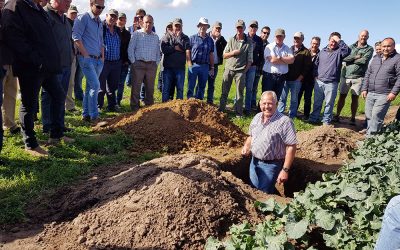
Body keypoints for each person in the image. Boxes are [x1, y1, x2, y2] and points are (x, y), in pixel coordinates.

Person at [1, 0, 71, 156]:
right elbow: (12, 36)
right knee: (29, 105)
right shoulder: (14, 6)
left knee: (58, 96)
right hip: (30, 67)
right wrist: (35, 59)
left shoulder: (36, 7)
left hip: (46, 67)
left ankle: (56, 134)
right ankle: (30, 143)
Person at [241, 91, 297, 193]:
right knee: (253, 189)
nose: (267, 106)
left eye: (270, 103)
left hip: (271, 165)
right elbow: (251, 136)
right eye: (264, 103)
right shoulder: (257, 117)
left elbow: (291, 147)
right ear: (260, 104)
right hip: (254, 162)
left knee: (263, 193)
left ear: (276, 104)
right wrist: (246, 146)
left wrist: (285, 170)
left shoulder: (284, 121)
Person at [41, 0, 74, 136]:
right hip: (53, 66)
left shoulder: (64, 18)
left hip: (66, 64)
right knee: (49, 96)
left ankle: (59, 124)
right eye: (67, 0)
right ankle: (48, 126)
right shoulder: (45, 14)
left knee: (61, 96)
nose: (69, 3)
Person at [72, 0, 105, 123]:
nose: (100, 9)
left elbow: (101, 40)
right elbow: (76, 37)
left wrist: (102, 57)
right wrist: (85, 55)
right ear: (91, 4)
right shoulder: (83, 18)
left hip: (98, 60)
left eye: (103, 7)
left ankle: (85, 114)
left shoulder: (99, 22)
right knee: (96, 86)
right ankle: (94, 116)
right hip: (87, 58)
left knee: (90, 87)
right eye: (98, 6)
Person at [308, 32, 350, 125]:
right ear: (329, 40)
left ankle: (326, 121)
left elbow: (348, 50)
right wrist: (315, 75)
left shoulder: (340, 52)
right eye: (332, 41)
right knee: (317, 102)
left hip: (332, 82)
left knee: (329, 103)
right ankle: (314, 118)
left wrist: (339, 40)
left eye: (336, 41)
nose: (333, 43)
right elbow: (316, 64)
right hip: (319, 81)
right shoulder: (322, 51)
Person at [361, 37, 400, 136]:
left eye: (388, 46)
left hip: (384, 94)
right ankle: (371, 135)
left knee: (376, 116)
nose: (386, 48)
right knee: (369, 116)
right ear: (381, 47)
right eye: (384, 46)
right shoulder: (376, 58)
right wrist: (364, 88)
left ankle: (370, 139)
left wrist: (393, 92)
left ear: (393, 46)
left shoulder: (397, 59)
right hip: (371, 92)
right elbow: (368, 74)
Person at [334, 30, 373, 125]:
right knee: (341, 97)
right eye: (362, 36)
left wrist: (351, 59)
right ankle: (337, 115)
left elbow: (364, 60)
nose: (363, 37)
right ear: (358, 36)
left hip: (358, 77)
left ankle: (352, 118)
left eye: (365, 36)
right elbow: (343, 58)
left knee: (355, 98)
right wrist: (356, 57)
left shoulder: (369, 49)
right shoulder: (350, 47)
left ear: (368, 37)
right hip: (345, 76)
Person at [218, 19, 253, 117]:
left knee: (240, 93)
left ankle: (238, 113)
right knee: (224, 91)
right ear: (235, 28)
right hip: (229, 69)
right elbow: (224, 55)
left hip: (240, 71)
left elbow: (250, 60)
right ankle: (221, 110)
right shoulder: (231, 39)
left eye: (241, 27)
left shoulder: (249, 42)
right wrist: (233, 53)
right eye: (238, 27)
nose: (239, 29)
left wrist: (244, 71)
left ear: (244, 28)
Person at [128, 15, 160, 111]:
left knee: (150, 89)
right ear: (142, 23)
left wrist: (156, 63)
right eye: (146, 22)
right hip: (138, 64)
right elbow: (130, 49)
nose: (148, 24)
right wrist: (134, 62)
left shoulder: (155, 36)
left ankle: (149, 107)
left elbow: (158, 51)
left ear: (153, 24)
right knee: (136, 88)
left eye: (150, 22)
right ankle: (135, 108)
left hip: (151, 65)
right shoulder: (136, 34)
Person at [278, 32, 311, 118]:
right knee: (282, 98)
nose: (296, 40)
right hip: (285, 78)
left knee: (294, 100)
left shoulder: (306, 52)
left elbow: (307, 68)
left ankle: (291, 116)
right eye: (295, 38)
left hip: (296, 80)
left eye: (298, 38)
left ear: (302, 39)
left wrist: (300, 78)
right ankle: (279, 114)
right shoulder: (289, 49)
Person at [160, 18, 190, 102]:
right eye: (176, 26)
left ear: (182, 26)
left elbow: (186, 48)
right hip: (168, 68)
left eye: (179, 26)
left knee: (180, 89)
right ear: (173, 26)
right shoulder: (167, 36)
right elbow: (164, 49)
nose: (177, 27)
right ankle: (164, 108)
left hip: (180, 68)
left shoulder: (185, 37)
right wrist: (174, 48)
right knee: (166, 89)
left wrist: (179, 38)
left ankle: (179, 108)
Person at [97, 9, 121, 112]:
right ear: (106, 16)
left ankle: (112, 105)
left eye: (115, 17)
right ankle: (98, 106)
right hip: (103, 61)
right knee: (101, 86)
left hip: (116, 62)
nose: (112, 18)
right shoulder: (100, 27)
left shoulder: (117, 30)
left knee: (113, 86)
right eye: (111, 16)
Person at [261, 28, 294, 100]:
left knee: (276, 98)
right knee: (266, 97)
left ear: (284, 37)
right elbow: (273, 60)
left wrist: (280, 58)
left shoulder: (287, 48)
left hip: (281, 77)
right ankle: (262, 111)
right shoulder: (269, 46)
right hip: (269, 76)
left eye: (281, 36)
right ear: (274, 37)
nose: (279, 38)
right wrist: (285, 59)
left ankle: (273, 111)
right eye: (277, 36)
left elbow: (291, 60)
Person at [187, 17, 214, 100]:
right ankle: (189, 103)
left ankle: (199, 103)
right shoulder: (192, 38)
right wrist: (189, 64)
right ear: (198, 26)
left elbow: (211, 54)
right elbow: (188, 51)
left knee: (202, 86)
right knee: (191, 85)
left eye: (205, 25)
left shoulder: (210, 40)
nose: (203, 27)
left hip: (205, 66)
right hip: (194, 65)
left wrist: (212, 67)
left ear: (207, 27)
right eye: (201, 25)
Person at [297, 36, 320, 120]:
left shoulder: (320, 54)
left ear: (319, 45)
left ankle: (306, 114)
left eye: (316, 44)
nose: (314, 45)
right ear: (311, 43)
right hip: (301, 78)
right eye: (313, 43)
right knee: (298, 96)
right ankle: (294, 112)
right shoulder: (306, 52)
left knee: (307, 98)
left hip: (311, 80)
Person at [244, 20, 263, 115]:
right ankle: (237, 106)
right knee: (240, 87)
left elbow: (261, 55)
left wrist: (257, 65)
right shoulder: (243, 37)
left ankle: (247, 108)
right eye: (252, 26)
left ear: (257, 29)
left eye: (255, 27)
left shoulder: (259, 40)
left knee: (249, 88)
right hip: (242, 67)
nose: (253, 28)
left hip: (252, 68)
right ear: (248, 27)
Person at [206, 21, 227, 104]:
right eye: (216, 28)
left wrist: (220, 39)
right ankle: (199, 100)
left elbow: (227, 47)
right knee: (202, 83)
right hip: (205, 64)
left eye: (219, 29)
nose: (218, 30)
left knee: (211, 84)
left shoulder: (221, 39)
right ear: (212, 28)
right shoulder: (207, 36)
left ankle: (209, 101)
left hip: (215, 65)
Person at [251, 25, 271, 109]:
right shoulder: (255, 40)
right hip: (250, 67)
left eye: (267, 33)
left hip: (260, 69)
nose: (265, 34)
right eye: (264, 32)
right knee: (245, 86)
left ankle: (252, 104)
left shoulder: (269, 46)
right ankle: (238, 103)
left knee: (254, 87)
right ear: (261, 32)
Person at [115, 12, 131, 107]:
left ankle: (118, 101)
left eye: (123, 19)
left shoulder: (128, 34)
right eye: (120, 19)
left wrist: (127, 61)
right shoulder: (112, 31)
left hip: (124, 62)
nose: (122, 21)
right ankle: (111, 102)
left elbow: (129, 48)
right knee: (112, 83)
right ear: (117, 20)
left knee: (121, 84)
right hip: (114, 61)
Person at [65, 4, 79, 112]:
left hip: (73, 56)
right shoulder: (63, 22)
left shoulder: (76, 24)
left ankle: (69, 105)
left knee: (71, 82)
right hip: (63, 57)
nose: (73, 15)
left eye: (75, 13)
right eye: (72, 13)